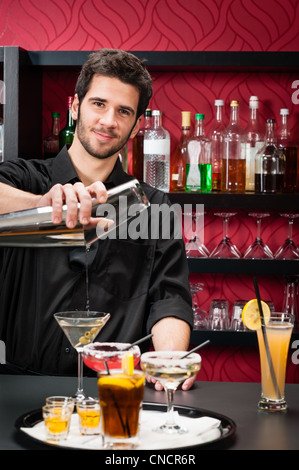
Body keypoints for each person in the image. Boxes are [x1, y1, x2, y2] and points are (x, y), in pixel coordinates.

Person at [0, 49, 194, 390]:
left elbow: (169, 298)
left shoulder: (151, 205)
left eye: (124, 112)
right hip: (20, 388)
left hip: (115, 389)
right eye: (99, 104)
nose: (109, 121)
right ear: (75, 107)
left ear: (136, 127)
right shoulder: (26, 178)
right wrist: (42, 206)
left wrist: (169, 359)